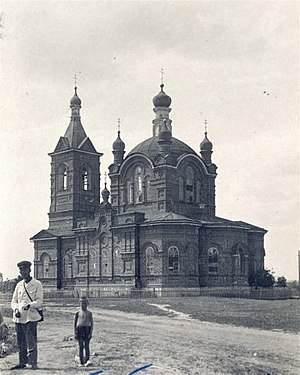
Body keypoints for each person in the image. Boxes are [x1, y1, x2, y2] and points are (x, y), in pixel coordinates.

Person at [10, 261, 43, 370]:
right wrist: (15, 309)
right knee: (21, 342)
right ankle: (22, 362)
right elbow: (14, 301)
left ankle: (33, 363)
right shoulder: (19, 285)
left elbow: (39, 301)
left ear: (29, 270)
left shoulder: (37, 284)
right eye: (21, 270)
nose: (23, 272)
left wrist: (30, 305)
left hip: (31, 317)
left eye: (24, 270)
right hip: (19, 318)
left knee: (31, 341)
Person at [74, 296, 93, 367]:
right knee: (81, 346)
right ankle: (81, 361)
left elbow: (91, 323)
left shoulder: (89, 313)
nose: (83, 305)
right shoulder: (77, 313)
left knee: (87, 346)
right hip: (79, 330)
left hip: (86, 329)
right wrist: (75, 332)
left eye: (84, 303)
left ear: (87, 304)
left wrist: (90, 333)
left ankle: (87, 360)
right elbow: (75, 323)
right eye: (81, 303)